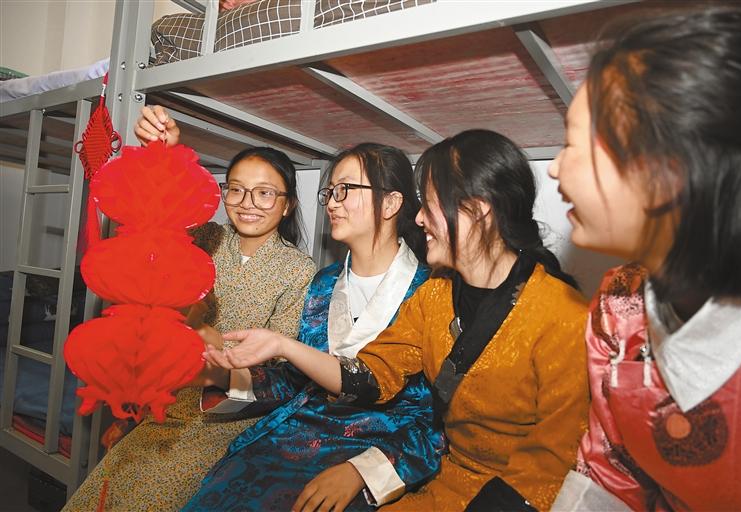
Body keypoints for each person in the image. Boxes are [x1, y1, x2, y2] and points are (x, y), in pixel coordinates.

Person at [203, 129, 590, 511]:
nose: (418, 219)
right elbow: (371, 376)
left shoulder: (563, 316)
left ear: (477, 210)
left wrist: (362, 470)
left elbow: (558, 459)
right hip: (444, 478)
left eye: (430, 205)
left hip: (512, 493)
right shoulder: (434, 296)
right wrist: (280, 346)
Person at [548, 8, 741, 511]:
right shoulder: (616, 304)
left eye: (570, 143)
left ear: (663, 177)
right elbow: (609, 471)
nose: (555, 168)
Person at [63, 106, 316, 511]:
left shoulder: (299, 270)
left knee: (153, 493)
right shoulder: (205, 239)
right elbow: (158, 211)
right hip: (168, 397)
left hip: (231, 416)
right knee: (103, 492)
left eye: (265, 192)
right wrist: (166, 150)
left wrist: (217, 353)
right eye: (236, 189)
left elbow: (283, 371)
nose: (247, 203)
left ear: (287, 205)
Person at [183, 143, 445, 512]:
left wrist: (361, 472)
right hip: (298, 434)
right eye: (330, 191)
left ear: (390, 203)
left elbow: (441, 418)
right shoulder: (324, 283)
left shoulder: (432, 291)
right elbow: (295, 382)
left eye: (345, 190)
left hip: (379, 446)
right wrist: (221, 373)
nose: (332, 203)